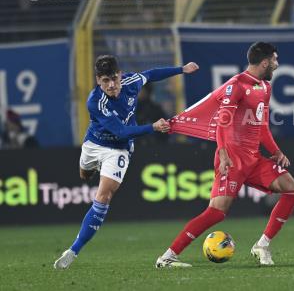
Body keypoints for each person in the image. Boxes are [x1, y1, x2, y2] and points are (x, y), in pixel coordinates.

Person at [155, 42, 294, 267]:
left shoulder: (265, 87)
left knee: (292, 189)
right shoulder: (237, 85)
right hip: (232, 159)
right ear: (265, 62)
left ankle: (262, 244)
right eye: (275, 60)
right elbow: (222, 123)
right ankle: (167, 257)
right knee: (216, 212)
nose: (277, 64)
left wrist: (276, 152)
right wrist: (223, 154)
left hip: (253, 159)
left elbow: (262, 126)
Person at [54, 55, 199, 269]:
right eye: (105, 80)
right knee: (84, 174)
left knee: (103, 196)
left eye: (114, 78)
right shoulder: (95, 102)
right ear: (98, 80)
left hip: (118, 150)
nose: (111, 85)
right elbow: (120, 130)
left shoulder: (131, 82)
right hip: (94, 145)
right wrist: (152, 127)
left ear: (120, 75)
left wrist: (181, 69)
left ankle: (73, 250)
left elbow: (150, 74)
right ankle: (90, 169)